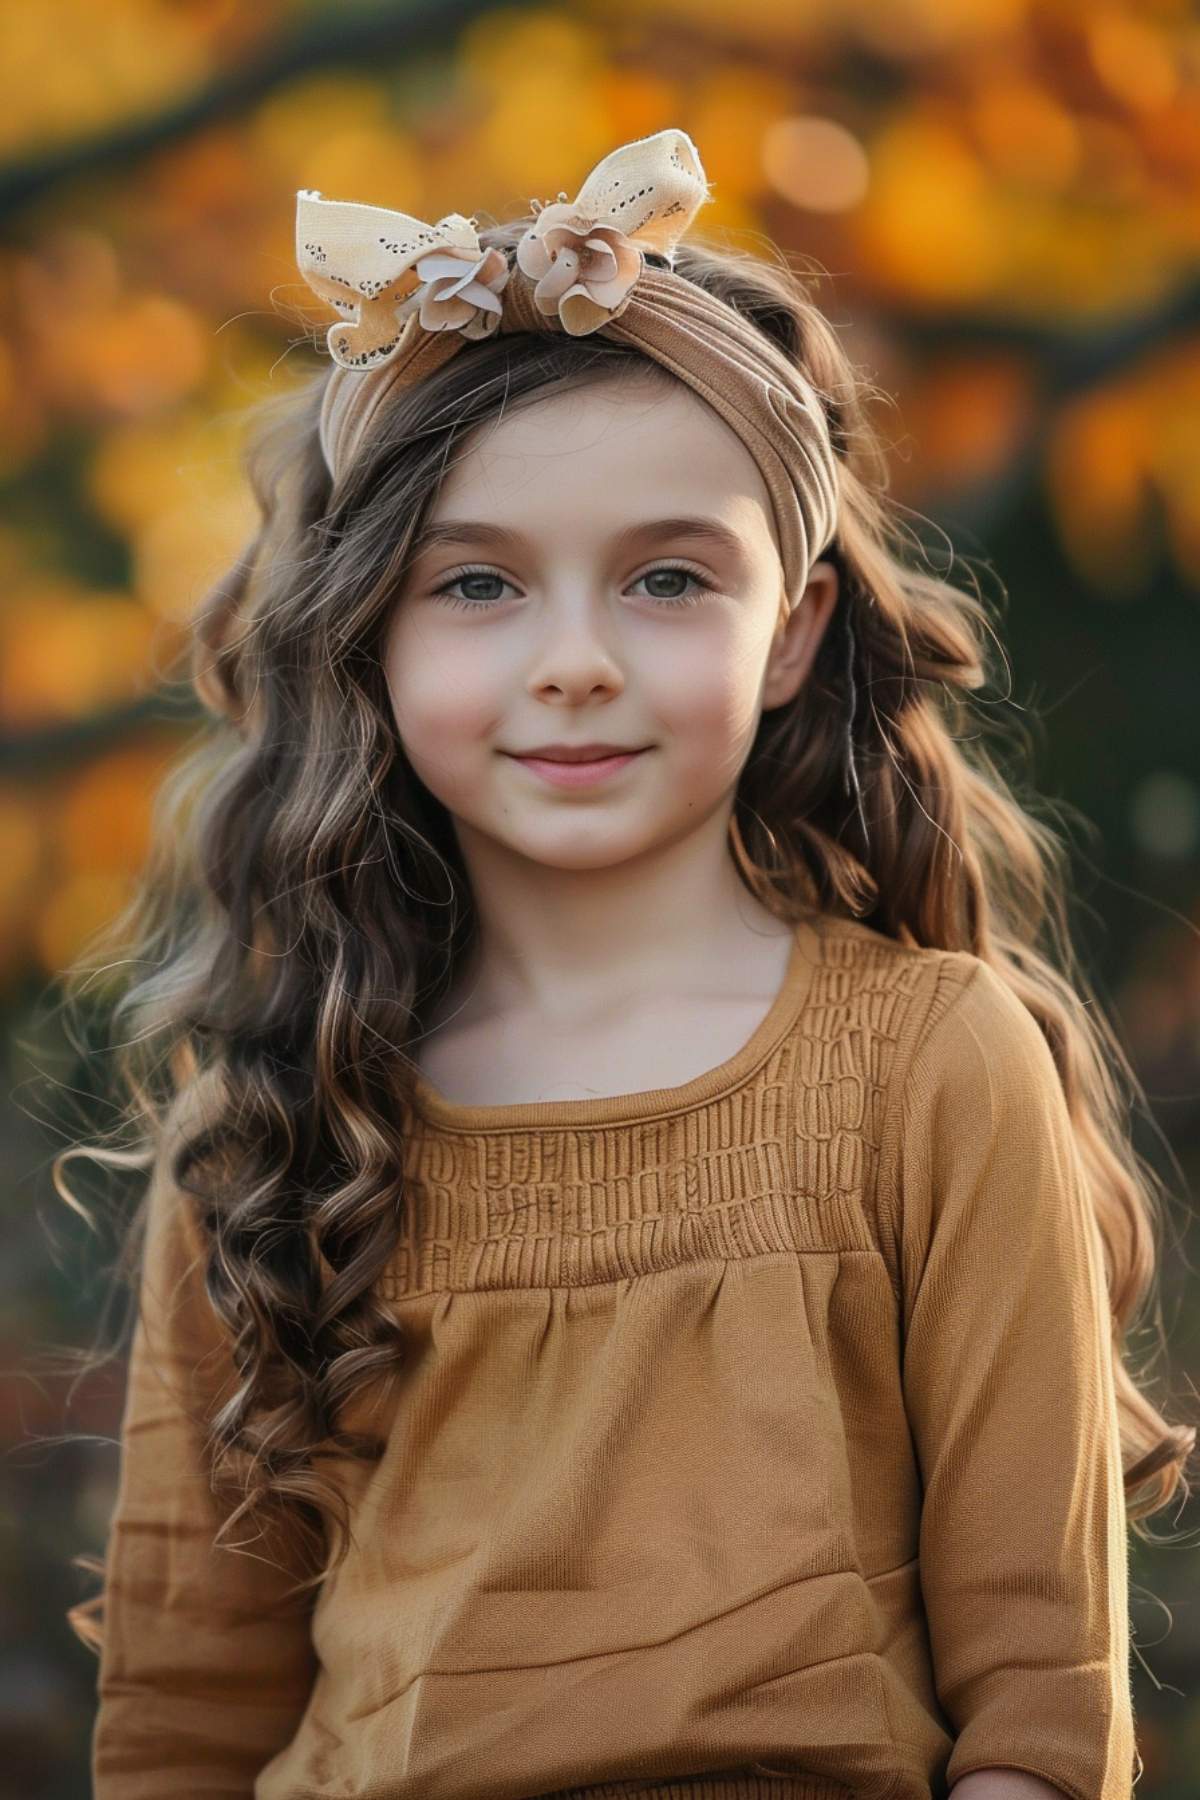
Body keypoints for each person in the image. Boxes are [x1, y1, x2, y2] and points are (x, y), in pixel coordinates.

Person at [61, 127, 1193, 1800]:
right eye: (479, 585)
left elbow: (1041, 1693)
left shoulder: (931, 1064)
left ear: (793, 628)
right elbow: (182, 1719)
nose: (576, 663)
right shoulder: (275, 1132)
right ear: (372, 628)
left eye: (669, 578)